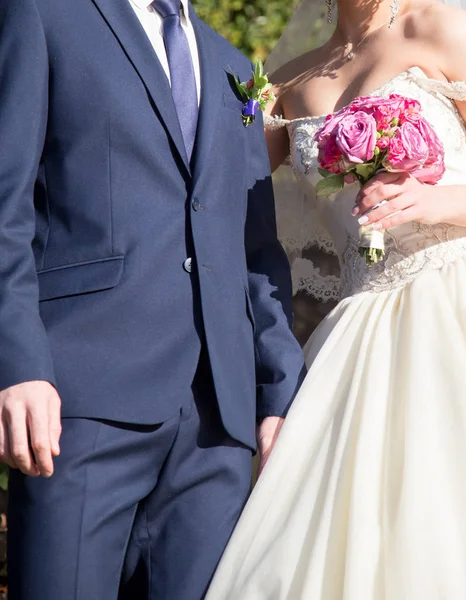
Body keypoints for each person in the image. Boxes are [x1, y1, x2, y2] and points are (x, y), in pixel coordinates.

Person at [205, 0, 466, 598]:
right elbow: (211, 194)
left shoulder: (440, 28)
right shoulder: (286, 85)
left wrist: (434, 203)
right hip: (362, 329)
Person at [0, 0, 305, 598]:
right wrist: (18, 365)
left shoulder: (232, 66)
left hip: (217, 428)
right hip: (79, 403)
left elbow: (255, 248)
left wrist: (278, 394)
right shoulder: (42, 15)